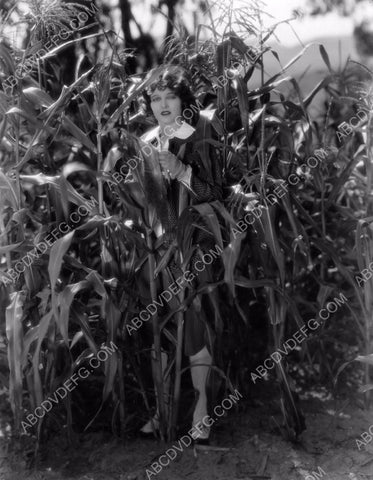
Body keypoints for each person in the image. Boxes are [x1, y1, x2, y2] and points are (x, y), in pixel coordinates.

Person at [132, 66, 223, 443]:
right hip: (160, 249)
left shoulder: (199, 136)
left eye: (170, 97)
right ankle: (164, 409)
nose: (163, 104)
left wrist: (183, 171)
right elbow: (146, 203)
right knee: (163, 329)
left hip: (196, 247)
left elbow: (217, 193)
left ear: (184, 103)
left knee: (195, 326)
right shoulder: (148, 142)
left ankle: (202, 411)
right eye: (155, 98)